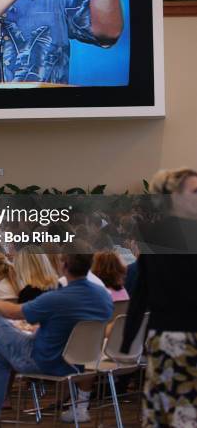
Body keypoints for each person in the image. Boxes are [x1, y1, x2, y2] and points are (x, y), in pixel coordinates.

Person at [0, 241, 113, 428]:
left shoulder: (57, 297)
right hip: (78, 363)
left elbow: (14, 312)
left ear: (64, 264)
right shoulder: (102, 295)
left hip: (42, 359)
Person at [122, 168, 197, 428]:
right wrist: (128, 337)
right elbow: (144, 287)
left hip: (171, 334)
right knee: (170, 411)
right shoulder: (156, 233)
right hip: (170, 335)